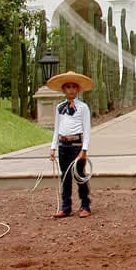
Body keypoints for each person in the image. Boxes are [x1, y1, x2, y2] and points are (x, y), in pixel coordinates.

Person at [47, 70, 94, 218]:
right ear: (63, 90)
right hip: (63, 145)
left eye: (74, 87)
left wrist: (84, 149)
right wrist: (53, 147)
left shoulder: (83, 107)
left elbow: (87, 129)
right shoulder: (60, 108)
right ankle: (66, 207)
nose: (71, 90)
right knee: (65, 176)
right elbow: (57, 128)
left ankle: (85, 205)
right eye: (68, 87)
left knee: (79, 175)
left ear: (78, 89)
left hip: (76, 145)